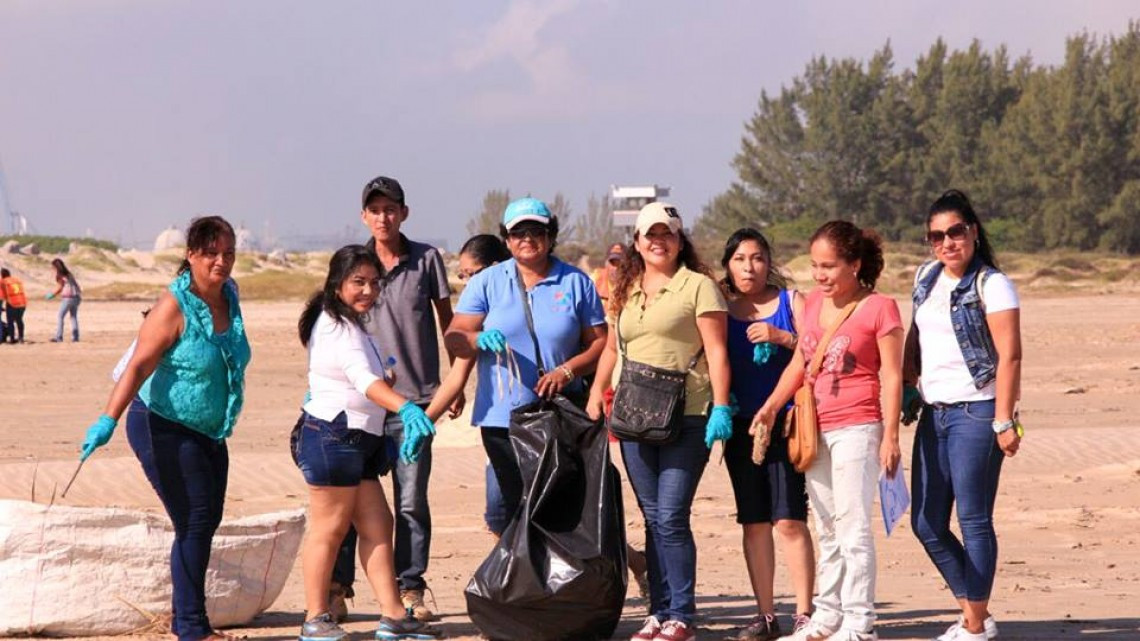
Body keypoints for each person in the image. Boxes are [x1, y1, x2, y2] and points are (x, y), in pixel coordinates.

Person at [76, 216, 251, 641]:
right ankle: (191, 627)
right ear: (191, 255)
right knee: (195, 519)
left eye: (228, 253)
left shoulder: (230, 294)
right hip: (161, 424)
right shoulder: (173, 306)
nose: (220, 262)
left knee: (203, 521)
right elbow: (137, 365)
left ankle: (187, 619)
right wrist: (107, 419)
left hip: (210, 429)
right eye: (210, 253)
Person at [587, 202, 731, 641]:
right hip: (633, 418)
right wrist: (595, 393)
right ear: (636, 242)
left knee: (671, 516)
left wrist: (721, 407)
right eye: (649, 234)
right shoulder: (625, 287)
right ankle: (659, 611)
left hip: (687, 416)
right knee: (651, 518)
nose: (658, 241)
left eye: (666, 234)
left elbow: (718, 351)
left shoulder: (699, 287)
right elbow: (613, 348)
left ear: (678, 239)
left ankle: (682, 614)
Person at [752, 220, 903, 641]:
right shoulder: (815, 303)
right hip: (815, 426)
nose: (820, 275)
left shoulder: (881, 308)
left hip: (859, 425)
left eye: (830, 266)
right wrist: (770, 406)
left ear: (855, 264)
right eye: (815, 266)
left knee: (853, 527)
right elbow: (801, 363)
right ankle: (826, 616)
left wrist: (891, 435)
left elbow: (891, 376)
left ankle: (859, 622)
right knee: (827, 526)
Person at [329, 176, 458, 623]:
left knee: (410, 501)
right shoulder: (355, 265)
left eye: (391, 208)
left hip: (418, 404)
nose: (383, 217)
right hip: (361, 405)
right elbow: (334, 325)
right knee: (347, 501)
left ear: (404, 213)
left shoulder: (427, 260)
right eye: (375, 209)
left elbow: (449, 326)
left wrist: (451, 386)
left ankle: (411, 589)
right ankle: (337, 588)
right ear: (363, 216)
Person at [294, 245, 439, 641]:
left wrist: (386, 385)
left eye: (374, 282)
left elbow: (367, 378)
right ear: (337, 283)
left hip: (360, 440)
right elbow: (361, 379)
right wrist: (405, 407)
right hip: (333, 436)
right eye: (358, 282)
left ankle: (393, 615)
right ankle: (315, 617)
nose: (367, 290)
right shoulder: (336, 325)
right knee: (330, 527)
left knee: (378, 523)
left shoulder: (354, 324)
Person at [444, 197, 607, 542]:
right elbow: (455, 338)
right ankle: (530, 589)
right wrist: (476, 340)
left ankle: (563, 584)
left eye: (537, 231)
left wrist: (568, 370)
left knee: (560, 505)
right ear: (506, 239)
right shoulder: (486, 282)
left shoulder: (575, 282)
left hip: (559, 415)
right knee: (519, 505)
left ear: (551, 236)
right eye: (518, 233)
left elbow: (599, 344)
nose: (527, 239)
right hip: (502, 420)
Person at [904, 190, 1022, 641]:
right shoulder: (926, 276)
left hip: (977, 412)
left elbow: (1010, 356)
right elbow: (917, 338)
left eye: (955, 232)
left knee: (973, 520)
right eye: (936, 236)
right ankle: (975, 612)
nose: (947, 243)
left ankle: (973, 625)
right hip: (934, 414)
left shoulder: (992, 284)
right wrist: (908, 387)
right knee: (926, 521)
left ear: (972, 231)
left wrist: (1004, 419)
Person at [720, 229, 814, 640]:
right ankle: (766, 615)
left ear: (768, 261)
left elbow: (816, 348)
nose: (749, 267)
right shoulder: (718, 307)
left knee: (789, 520)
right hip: (741, 427)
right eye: (740, 258)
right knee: (754, 522)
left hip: (787, 424)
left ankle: (805, 613)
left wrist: (782, 337)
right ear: (728, 264)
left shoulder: (792, 302)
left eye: (757, 258)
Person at [446, 233, 512, 537]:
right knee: (498, 514)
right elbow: (459, 369)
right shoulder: (477, 312)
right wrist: (424, 421)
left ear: (494, 268)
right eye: (462, 275)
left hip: (540, 421)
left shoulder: (513, 305)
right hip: (496, 423)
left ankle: (635, 562)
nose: (466, 282)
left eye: (471, 274)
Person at [48, 257, 81, 342]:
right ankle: (75, 337)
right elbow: (77, 285)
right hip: (76, 297)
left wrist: (52, 295)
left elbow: (60, 287)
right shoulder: (69, 274)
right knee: (73, 317)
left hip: (68, 298)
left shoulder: (60, 276)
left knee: (60, 316)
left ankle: (59, 337)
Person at [0, 268, 27, 343]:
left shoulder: (3, 282)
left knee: (10, 321)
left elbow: (1, 296)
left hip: (12, 303)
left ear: (2, 275)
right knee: (19, 320)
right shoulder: (16, 280)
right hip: (22, 303)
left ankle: (12, 339)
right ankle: (21, 338)